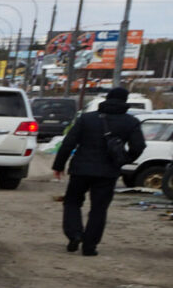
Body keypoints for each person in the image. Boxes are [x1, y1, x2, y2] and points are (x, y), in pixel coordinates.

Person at [52, 86, 146, 255]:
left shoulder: (87, 119)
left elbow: (68, 144)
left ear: (107, 98)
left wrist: (59, 165)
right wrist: (124, 160)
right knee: (99, 209)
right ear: (126, 101)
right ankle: (89, 246)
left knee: (72, 202)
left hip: (80, 169)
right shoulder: (130, 122)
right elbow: (138, 146)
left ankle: (74, 234)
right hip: (108, 172)